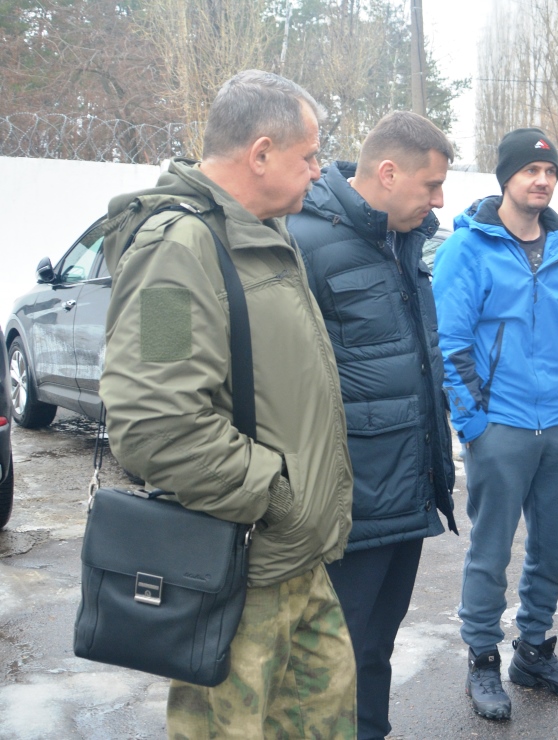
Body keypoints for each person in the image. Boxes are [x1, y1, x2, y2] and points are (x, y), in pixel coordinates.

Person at [100, 70, 357, 739]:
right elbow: (155, 424)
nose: (319, 172)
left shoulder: (260, 234)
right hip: (239, 567)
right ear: (261, 153)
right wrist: (274, 495)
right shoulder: (174, 252)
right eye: (308, 157)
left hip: (295, 561)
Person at [287, 111, 459, 740]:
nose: (440, 200)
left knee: (372, 654)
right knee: (331, 661)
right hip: (347, 505)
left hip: (404, 494)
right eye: (431, 186)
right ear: (388, 173)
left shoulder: (402, 240)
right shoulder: (303, 241)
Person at [432, 127, 558, 721]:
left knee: (554, 546)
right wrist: (473, 422)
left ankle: (534, 650)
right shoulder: (468, 249)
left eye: (549, 173)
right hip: (499, 425)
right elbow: (450, 345)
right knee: (491, 549)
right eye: (531, 171)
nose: (542, 181)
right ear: (506, 177)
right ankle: (482, 659)